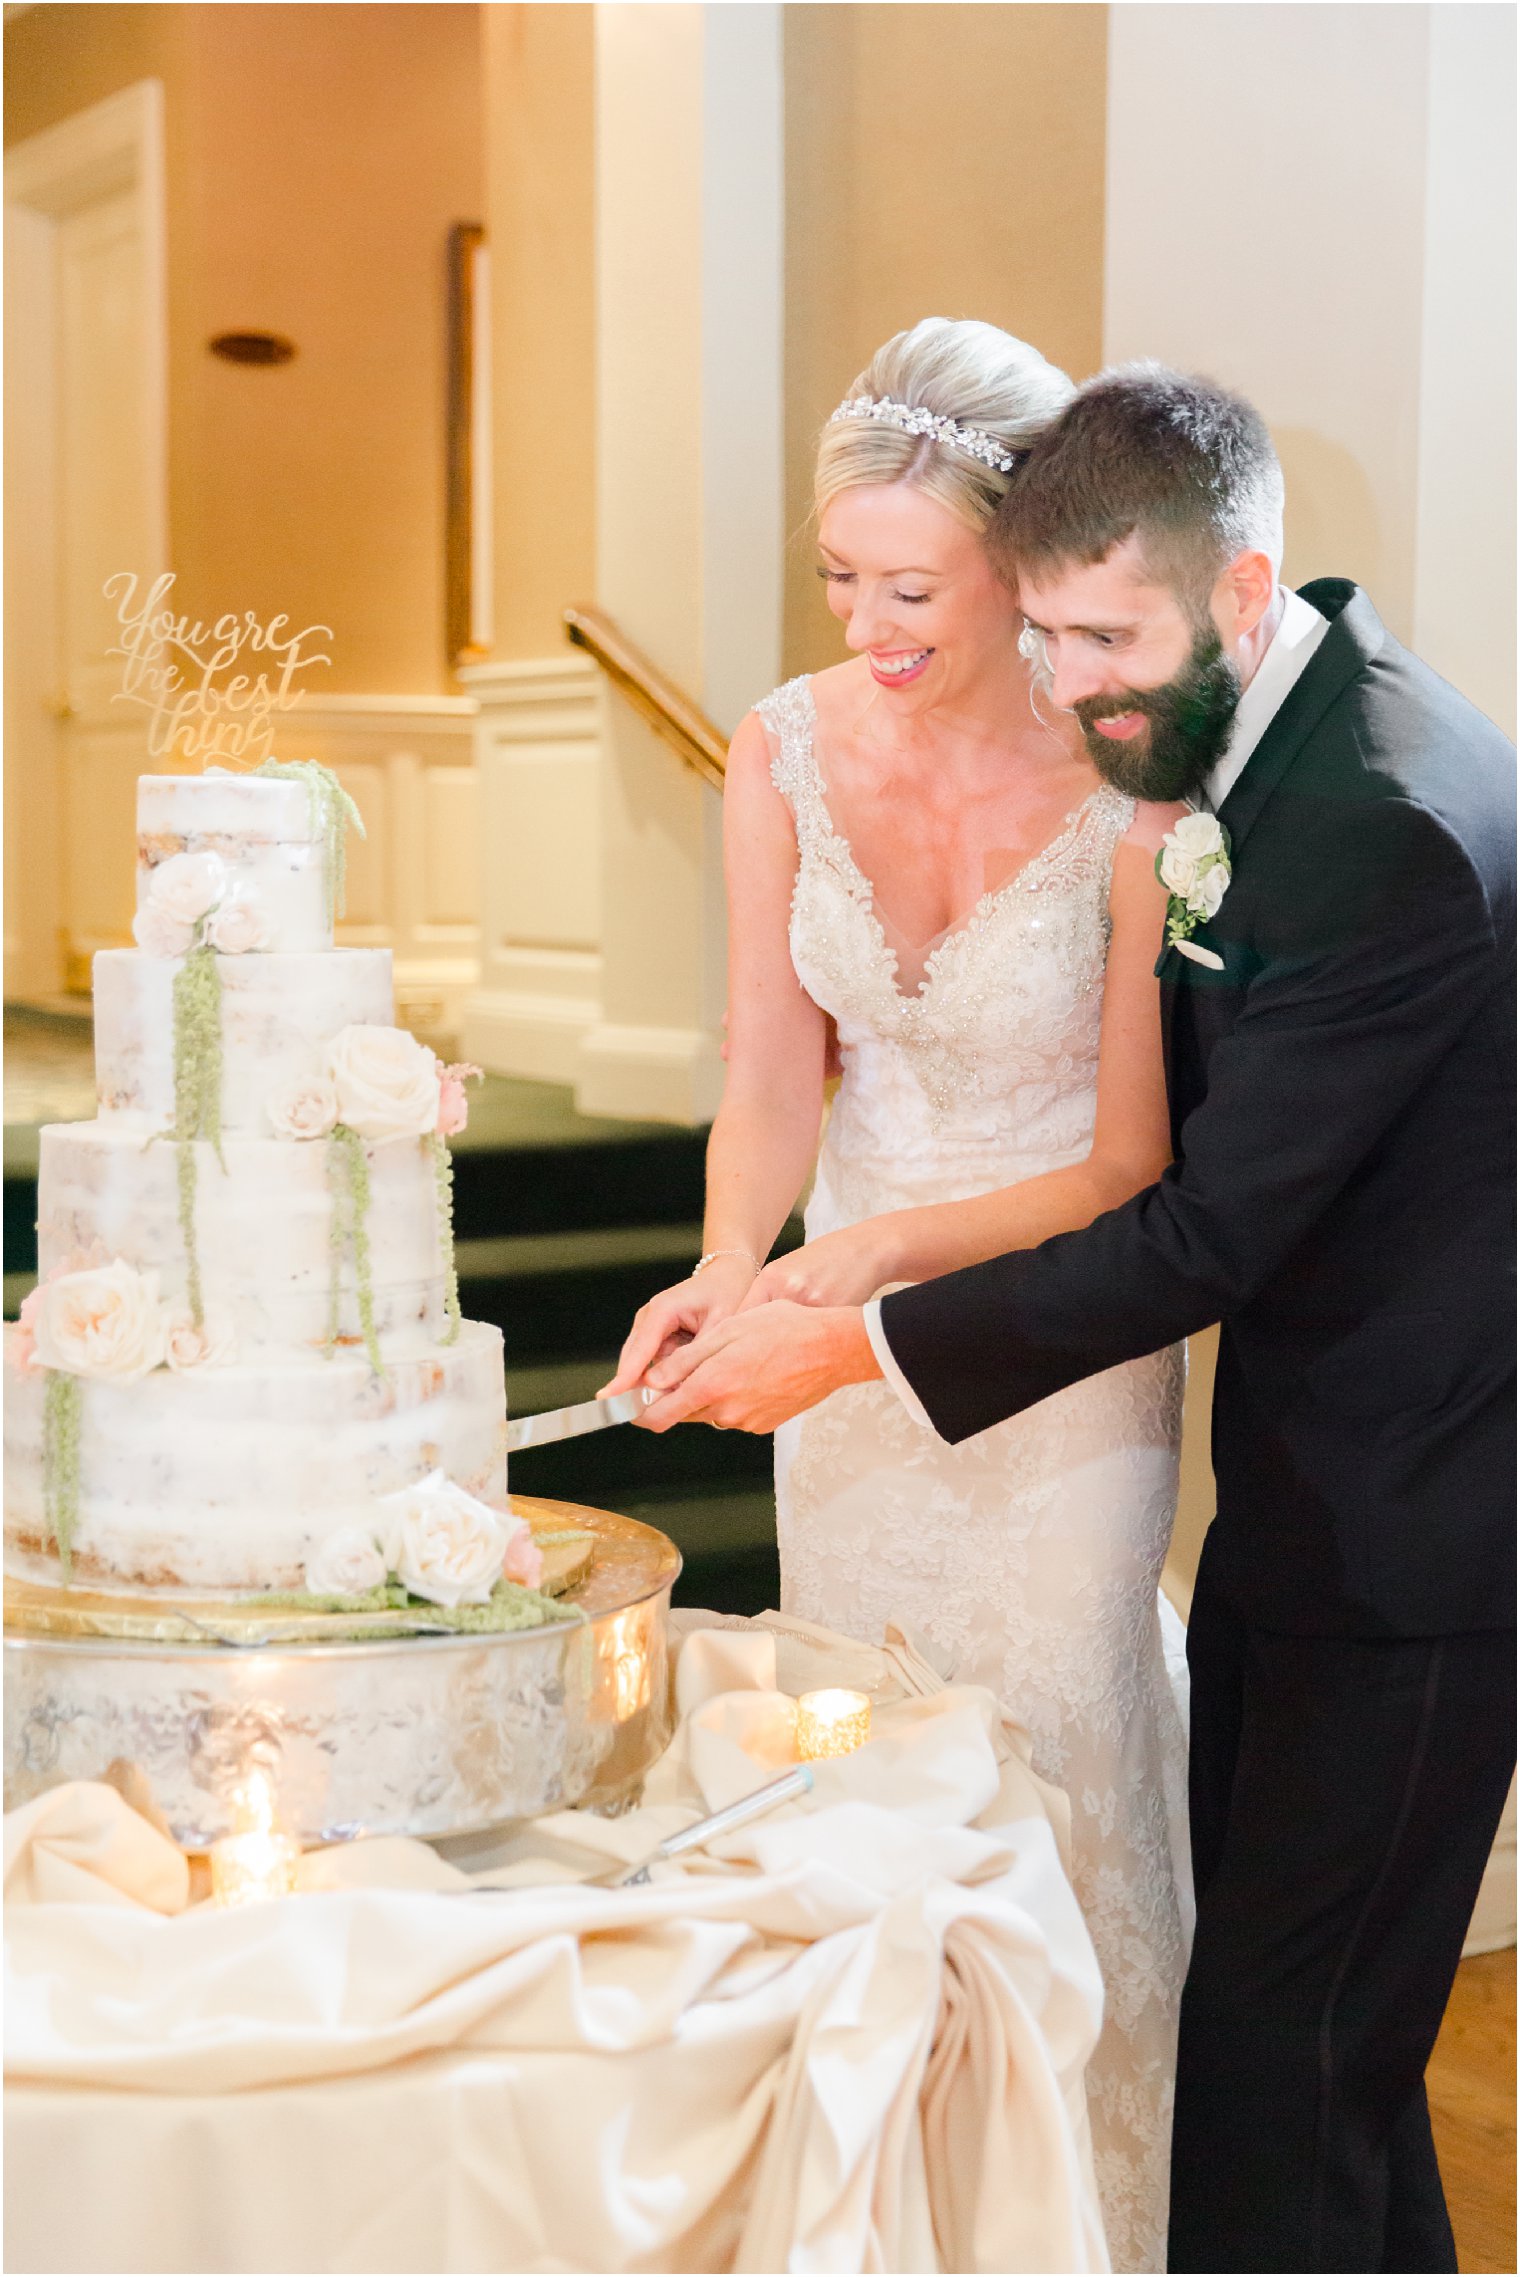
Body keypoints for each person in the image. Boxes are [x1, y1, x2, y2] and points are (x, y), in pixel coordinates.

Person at [637, 365, 1517, 2275]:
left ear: (1236, 585)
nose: (1059, 673)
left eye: (1085, 629)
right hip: (1310, 1490)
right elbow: (775, 1071)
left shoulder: (1321, 815)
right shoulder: (1264, 746)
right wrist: (766, 1264)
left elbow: (1190, 1220)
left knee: (1273, 2058)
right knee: (1324, 2067)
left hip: (1370, 1499)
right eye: (1043, 628)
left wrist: (866, 1316)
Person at [604, 319, 1193, 2272]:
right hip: (826, 1366)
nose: (864, 620)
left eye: (909, 585)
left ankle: (1098, 2213)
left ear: (1021, 568)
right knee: (865, 1776)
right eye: (838, 577)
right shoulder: (779, 747)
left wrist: (847, 1267)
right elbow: (774, 1073)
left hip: (1056, 1343)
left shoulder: (1128, 786)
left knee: (1065, 1769)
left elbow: (1124, 1162)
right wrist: (720, 1272)